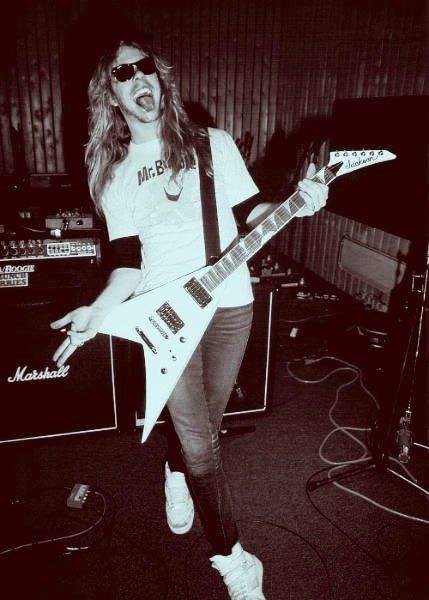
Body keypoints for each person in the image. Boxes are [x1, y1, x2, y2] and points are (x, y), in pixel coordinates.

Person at [50, 39, 328, 600]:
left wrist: (298, 201)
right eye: (121, 73)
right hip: (167, 318)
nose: (137, 78)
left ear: (160, 77)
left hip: (230, 308)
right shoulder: (112, 172)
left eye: (143, 66)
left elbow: (251, 213)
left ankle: (174, 472)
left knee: (205, 426)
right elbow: (128, 264)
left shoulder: (212, 144)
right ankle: (233, 557)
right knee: (203, 445)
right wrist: (97, 312)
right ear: (110, 93)